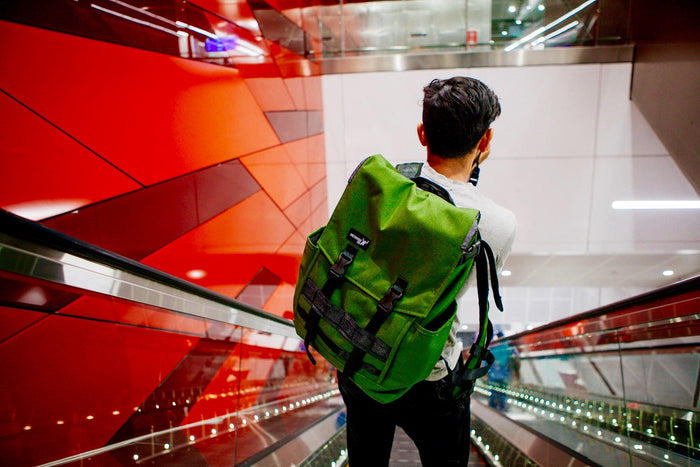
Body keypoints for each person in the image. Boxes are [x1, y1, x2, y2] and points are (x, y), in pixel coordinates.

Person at [337, 77, 517, 466]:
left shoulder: (382, 186)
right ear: (485, 141)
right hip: (428, 375)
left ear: (423, 133)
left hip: (361, 355)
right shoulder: (495, 223)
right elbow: (469, 285)